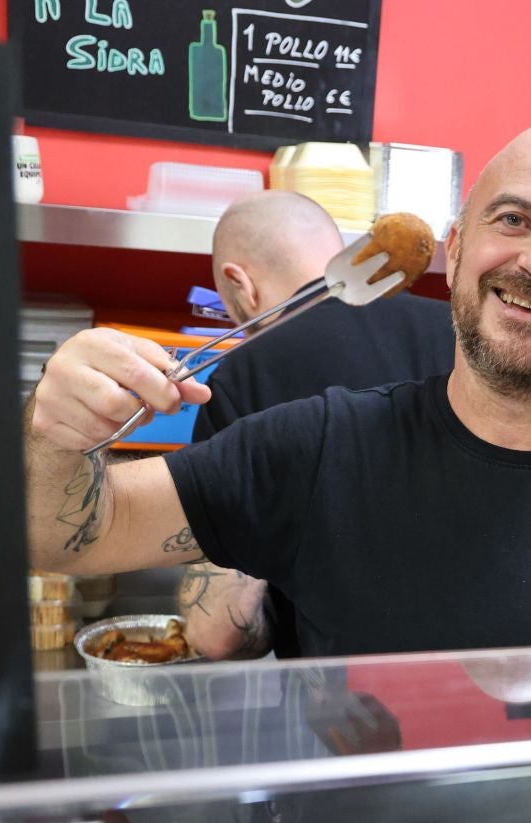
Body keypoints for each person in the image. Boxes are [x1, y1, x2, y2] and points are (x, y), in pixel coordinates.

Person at [24, 121, 531, 658]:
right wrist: (57, 431)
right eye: (513, 220)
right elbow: (56, 535)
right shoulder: (318, 451)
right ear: (458, 246)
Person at [178, 190, 454, 658]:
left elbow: (219, 633)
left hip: (338, 709)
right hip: (489, 685)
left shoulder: (245, 378)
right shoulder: (462, 333)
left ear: (240, 284)